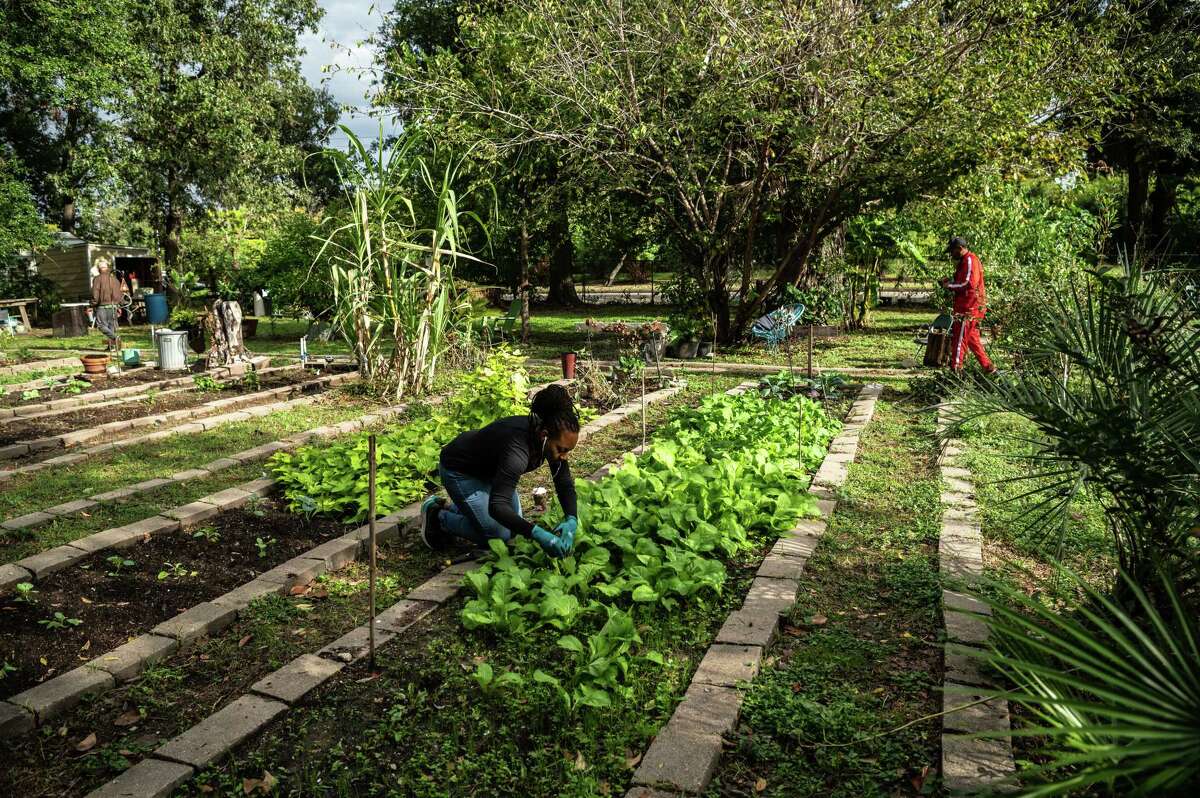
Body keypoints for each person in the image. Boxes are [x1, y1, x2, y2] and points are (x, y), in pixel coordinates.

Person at [422, 384, 581, 558]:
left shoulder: (551, 436)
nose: (564, 456)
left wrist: (571, 519)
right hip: (460, 471)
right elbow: (498, 506)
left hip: (491, 471)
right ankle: (437, 517)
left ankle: (457, 508)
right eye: (562, 450)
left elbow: (564, 483)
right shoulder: (517, 450)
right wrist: (538, 534)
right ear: (544, 435)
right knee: (500, 535)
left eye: (568, 451)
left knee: (514, 530)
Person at [939, 236, 997, 374]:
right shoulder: (964, 261)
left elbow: (969, 284)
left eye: (952, 251)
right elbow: (963, 282)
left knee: (959, 338)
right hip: (968, 306)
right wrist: (950, 282)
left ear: (960, 248)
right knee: (971, 338)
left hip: (969, 307)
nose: (951, 254)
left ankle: (956, 370)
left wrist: (949, 286)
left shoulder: (970, 260)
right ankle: (989, 367)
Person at [91, 257, 127, 351]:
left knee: (101, 325)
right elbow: (120, 294)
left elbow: (95, 293)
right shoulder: (115, 279)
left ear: (99, 269)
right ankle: (112, 347)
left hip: (102, 306)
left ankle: (115, 338)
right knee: (111, 326)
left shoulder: (97, 279)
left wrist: (93, 304)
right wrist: (119, 305)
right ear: (107, 268)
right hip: (113, 306)